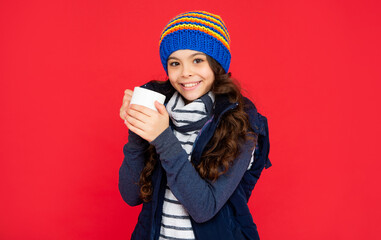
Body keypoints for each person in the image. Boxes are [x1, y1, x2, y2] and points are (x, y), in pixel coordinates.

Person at [118, 10, 271, 240]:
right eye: (175, 63)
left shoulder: (241, 122)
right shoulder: (159, 112)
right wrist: (137, 127)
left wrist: (162, 138)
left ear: (216, 64)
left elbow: (204, 208)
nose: (186, 73)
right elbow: (131, 196)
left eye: (197, 60)